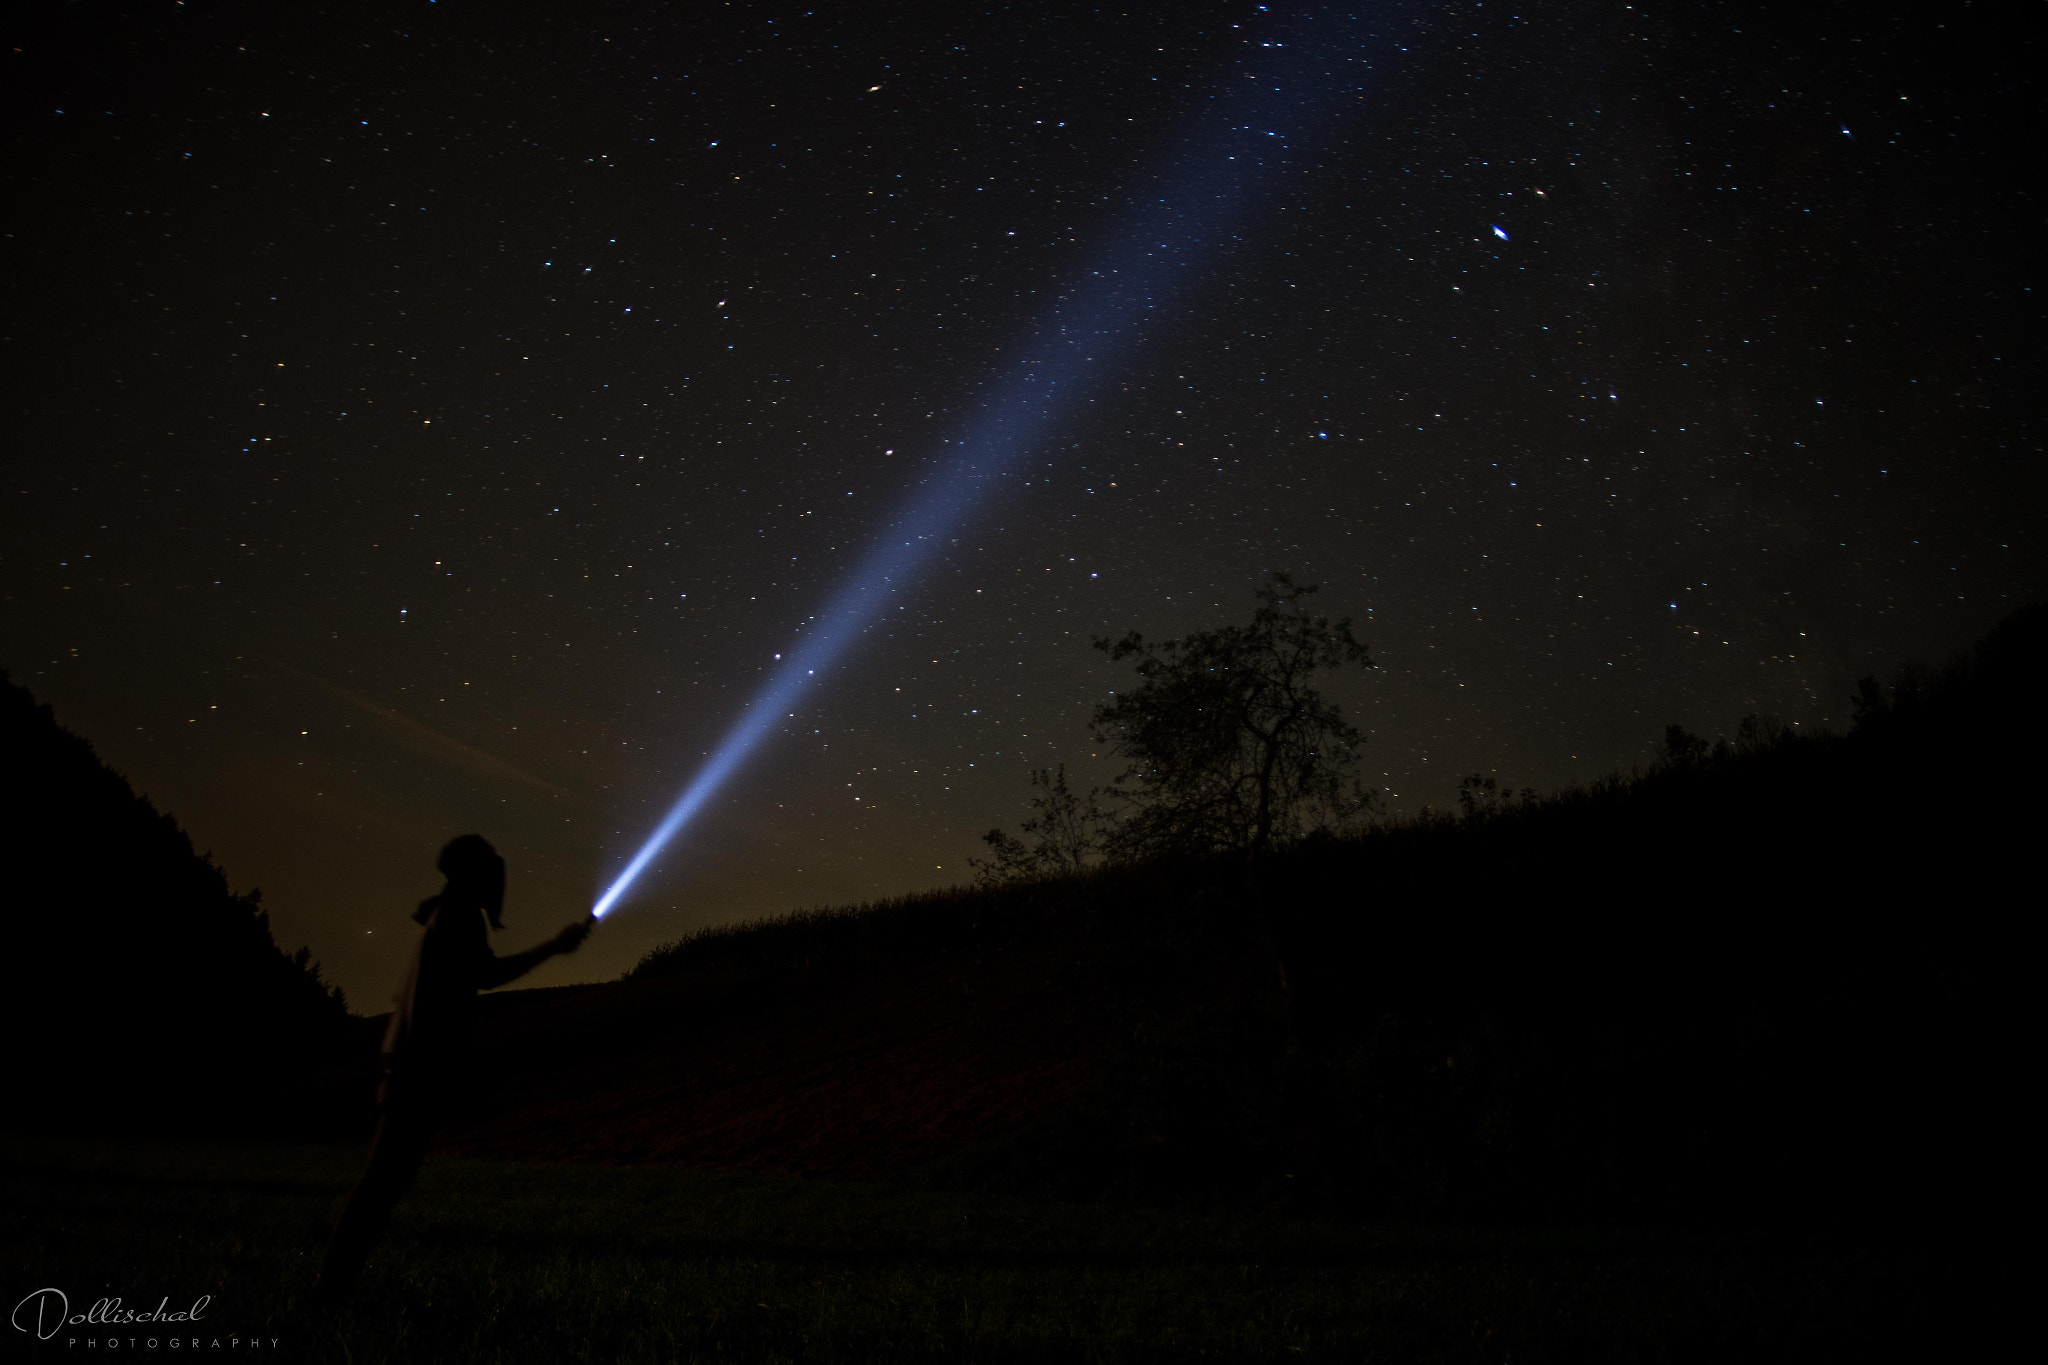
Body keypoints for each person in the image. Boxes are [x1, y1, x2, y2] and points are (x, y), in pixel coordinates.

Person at [314, 834, 590, 1302]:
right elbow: (486, 976)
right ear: (472, 872)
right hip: (417, 1069)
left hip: (411, 1065)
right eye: (491, 868)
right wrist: (554, 947)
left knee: (384, 1181)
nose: (499, 878)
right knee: (381, 1182)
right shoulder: (460, 915)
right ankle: (329, 1290)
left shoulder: (448, 913)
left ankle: (334, 1286)